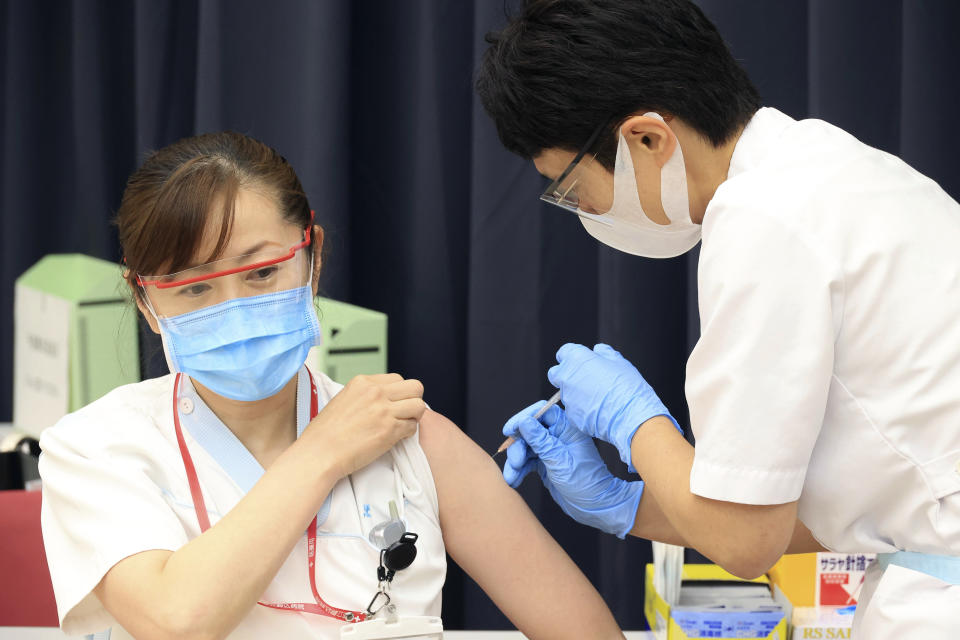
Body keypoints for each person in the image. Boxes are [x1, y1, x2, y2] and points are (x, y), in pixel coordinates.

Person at [475, 0, 960, 637]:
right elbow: (827, 508)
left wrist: (634, 423)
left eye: (568, 186)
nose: (581, 208)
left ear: (646, 138)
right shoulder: (832, 167)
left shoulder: (763, 219)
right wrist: (630, 505)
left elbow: (743, 540)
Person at [38, 131, 625, 640]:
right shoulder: (95, 448)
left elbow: (584, 632)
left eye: (262, 271)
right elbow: (178, 621)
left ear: (311, 258)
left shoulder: (413, 441)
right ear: (146, 301)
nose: (234, 306)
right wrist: (322, 450)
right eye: (193, 288)